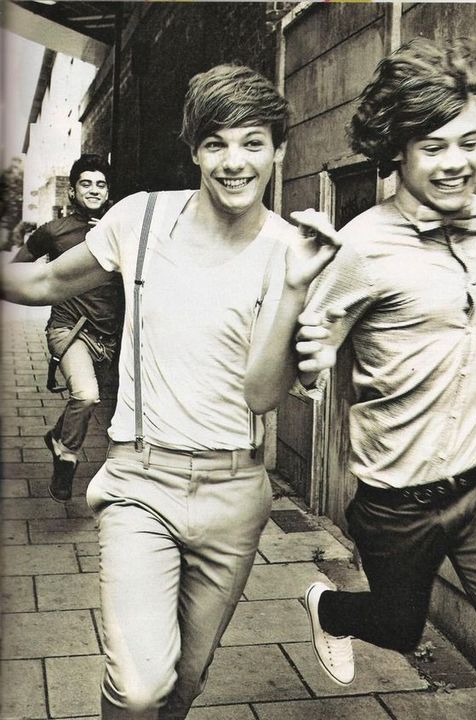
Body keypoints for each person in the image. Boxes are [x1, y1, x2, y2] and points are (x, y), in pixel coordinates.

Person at [1, 64, 339, 719]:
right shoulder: (142, 219)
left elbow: (263, 395)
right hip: (140, 481)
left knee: (185, 681)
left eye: (251, 142)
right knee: (137, 685)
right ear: (193, 150)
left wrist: (296, 290)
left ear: (279, 149)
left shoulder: (291, 253)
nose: (233, 161)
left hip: (233, 493)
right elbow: (44, 284)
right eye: (215, 143)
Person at [284, 38, 476, 720]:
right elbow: (302, 361)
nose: (456, 162)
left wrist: (458, 217)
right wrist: (304, 339)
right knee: (398, 627)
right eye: (432, 146)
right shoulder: (359, 248)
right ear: (397, 152)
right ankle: (329, 606)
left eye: (468, 141)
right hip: (398, 501)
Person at [12, 154, 123, 502]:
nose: (94, 190)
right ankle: (67, 458)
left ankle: (57, 434)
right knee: (87, 394)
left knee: (88, 399)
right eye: (86, 183)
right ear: (73, 190)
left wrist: (107, 239)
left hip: (108, 335)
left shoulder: (120, 228)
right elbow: (18, 269)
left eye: (100, 184)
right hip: (69, 329)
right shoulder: (54, 232)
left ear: (108, 191)